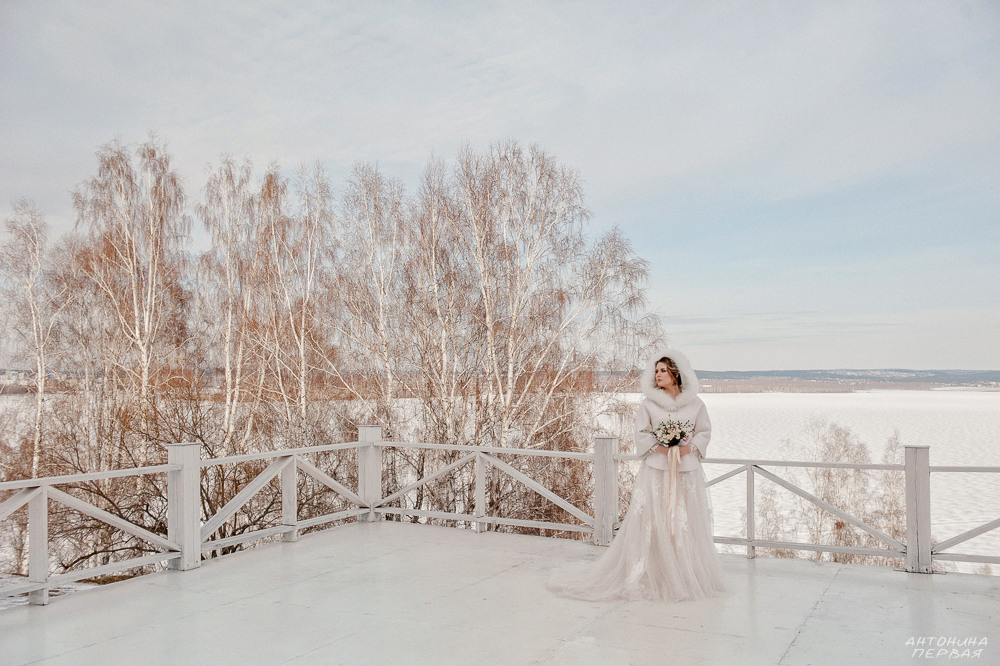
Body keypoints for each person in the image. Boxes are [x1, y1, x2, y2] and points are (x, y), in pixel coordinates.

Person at [547, 348, 725, 601]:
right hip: (656, 470)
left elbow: (704, 431)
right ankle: (651, 570)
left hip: (686, 470)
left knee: (683, 520)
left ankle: (684, 572)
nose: (658, 375)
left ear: (677, 373)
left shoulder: (696, 404)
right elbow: (641, 432)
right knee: (653, 519)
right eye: (656, 371)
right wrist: (661, 446)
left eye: (663, 370)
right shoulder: (649, 404)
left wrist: (689, 447)